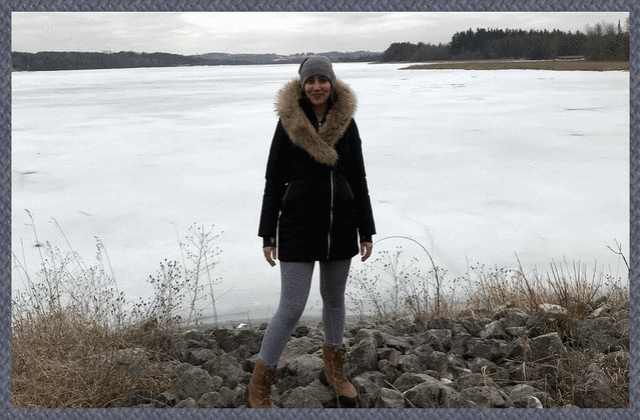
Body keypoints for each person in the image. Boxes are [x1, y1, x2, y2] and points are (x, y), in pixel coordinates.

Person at [248, 56, 376, 408]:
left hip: (340, 225)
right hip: (297, 226)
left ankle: (334, 371)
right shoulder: (288, 123)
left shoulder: (347, 123)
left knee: (334, 300)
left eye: (323, 80)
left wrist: (366, 228)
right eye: (310, 81)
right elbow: (273, 180)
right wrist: (267, 233)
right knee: (291, 307)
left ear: (332, 83)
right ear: (302, 85)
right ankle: (260, 385)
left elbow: (358, 178)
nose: (317, 86)